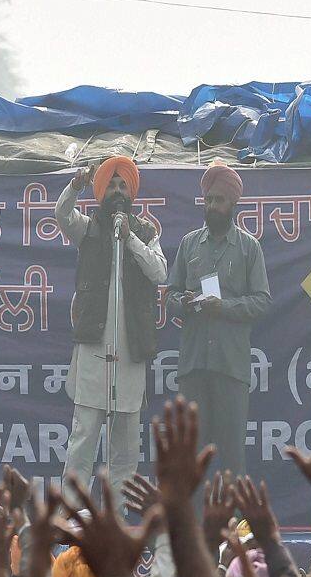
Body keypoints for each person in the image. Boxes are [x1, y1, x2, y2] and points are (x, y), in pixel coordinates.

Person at [55, 156, 167, 499]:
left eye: (123, 185)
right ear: (101, 191)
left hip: (130, 355)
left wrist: (130, 237)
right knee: (83, 439)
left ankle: (116, 524)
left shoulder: (146, 232)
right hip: (93, 352)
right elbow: (61, 215)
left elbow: (160, 273)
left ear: (131, 191)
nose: (118, 191)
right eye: (112, 185)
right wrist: (75, 185)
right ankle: (71, 522)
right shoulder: (87, 227)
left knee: (125, 451)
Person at [167, 162, 271, 482]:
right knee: (190, 454)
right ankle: (192, 528)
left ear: (233, 204)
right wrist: (183, 303)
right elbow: (169, 296)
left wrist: (223, 307)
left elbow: (262, 301)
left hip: (230, 365)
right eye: (208, 200)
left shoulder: (248, 247)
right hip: (194, 364)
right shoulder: (189, 244)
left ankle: (234, 528)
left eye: (218, 200)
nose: (212, 206)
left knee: (231, 454)